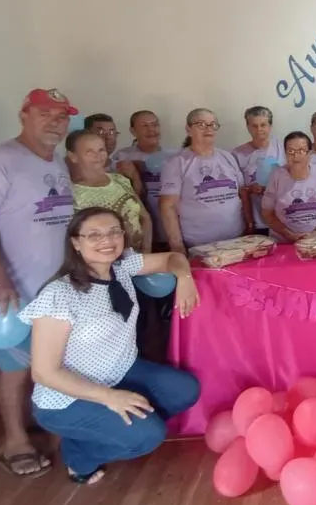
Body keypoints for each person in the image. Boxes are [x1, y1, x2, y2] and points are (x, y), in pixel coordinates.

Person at [18, 207, 201, 485]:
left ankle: (103, 430)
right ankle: (79, 455)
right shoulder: (59, 295)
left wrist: (184, 279)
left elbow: (172, 258)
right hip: (66, 399)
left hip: (120, 371)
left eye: (114, 232)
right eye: (94, 235)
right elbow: (44, 373)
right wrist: (109, 397)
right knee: (148, 436)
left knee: (184, 389)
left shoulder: (121, 267)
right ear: (75, 243)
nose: (107, 240)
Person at [0, 87, 79, 478]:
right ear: (24, 115)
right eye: (45, 114)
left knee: (57, 363)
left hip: (56, 291)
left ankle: (58, 432)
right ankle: (15, 442)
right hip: (10, 292)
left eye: (61, 117)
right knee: (14, 369)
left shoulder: (56, 162)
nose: (55, 123)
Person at [159, 108, 249, 253]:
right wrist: (177, 245)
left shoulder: (228, 157)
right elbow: (167, 206)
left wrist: (249, 225)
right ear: (188, 129)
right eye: (201, 124)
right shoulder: (177, 163)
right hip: (199, 246)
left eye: (213, 124)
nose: (208, 129)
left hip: (236, 240)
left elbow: (241, 194)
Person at [67, 130, 152, 253]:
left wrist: (146, 252)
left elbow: (145, 217)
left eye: (101, 150)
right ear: (73, 156)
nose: (97, 156)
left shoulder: (120, 180)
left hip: (137, 257)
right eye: (89, 152)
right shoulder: (72, 192)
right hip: (102, 259)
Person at [113, 110, 178, 251]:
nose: (151, 130)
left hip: (172, 230)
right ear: (133, 131)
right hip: (139, 232)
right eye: (145, 126)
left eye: (155, 125)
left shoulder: (175, 156)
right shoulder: (122, 156)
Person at [261, 132, 316, 242]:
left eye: (301, 150)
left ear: (310, 153)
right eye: (291, 151)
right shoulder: (277, 175)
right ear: (285, 154)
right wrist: (289, 234)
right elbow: (267, 213)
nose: (296, 156)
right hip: (284, 242)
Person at [232, 106, 285, 236]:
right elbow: (237, 190)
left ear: (270, 126)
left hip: (282, 219)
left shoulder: (284, 148)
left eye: (263, 125)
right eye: (254, 126)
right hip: (256, 220)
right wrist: (251, 189)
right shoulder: (237, 154)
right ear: (248, 127)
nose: (259, 129)